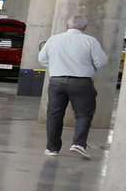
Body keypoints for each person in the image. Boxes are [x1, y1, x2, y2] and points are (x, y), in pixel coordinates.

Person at [38, 14, 110, 159]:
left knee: (54, 115)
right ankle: (78, 143)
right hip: (82, 82)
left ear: (67, 26)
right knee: (84, 114)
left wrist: (55, 66)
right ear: (85, 27)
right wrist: (90, 68)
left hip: (57, 81)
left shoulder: (54, 39)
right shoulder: (90, 41)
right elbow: (101, 61)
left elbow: (42, 59)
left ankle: (52, 148)